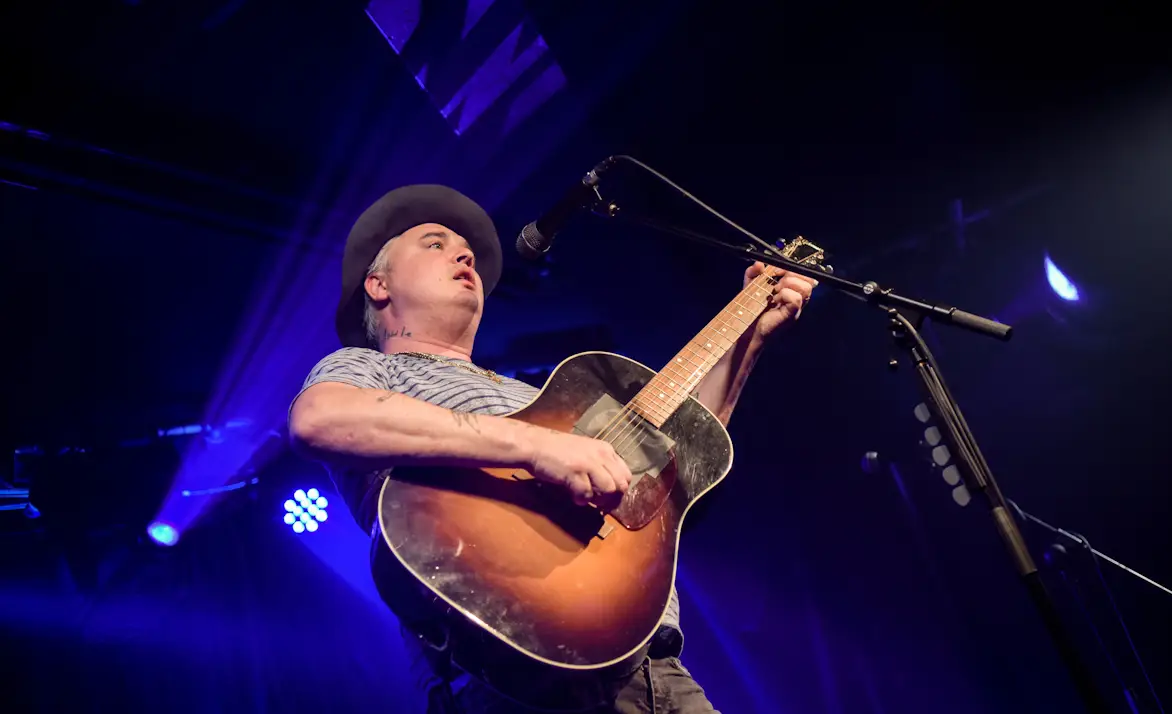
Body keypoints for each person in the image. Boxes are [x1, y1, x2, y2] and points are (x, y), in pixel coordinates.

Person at [287, 184, 816, 713]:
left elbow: (675, 468)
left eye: (463, 248)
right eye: (434, 244)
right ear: (378, 285)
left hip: (651, 666)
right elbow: (320, 419)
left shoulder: (540, 396)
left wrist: (750, 334)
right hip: (506, 665)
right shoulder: (368, 368)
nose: (465, 253)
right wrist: (536, 446)